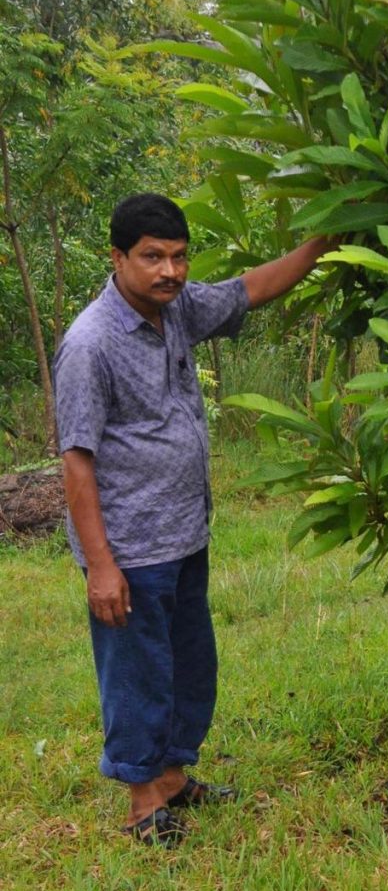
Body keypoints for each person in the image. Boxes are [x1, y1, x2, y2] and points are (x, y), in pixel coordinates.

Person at [52, 193, 333, 847]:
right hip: (130, 545)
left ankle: (175, 777)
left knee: (187, 665)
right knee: (138, 672)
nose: (169, 271)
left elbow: (252, 287)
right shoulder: (90, 344)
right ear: (118, 257)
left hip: (183, 532)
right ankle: (141, 800)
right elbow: (76, 463)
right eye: (152, 257)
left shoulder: (176, 310)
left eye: (178, 257)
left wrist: (323, 240)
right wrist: (100, 565)